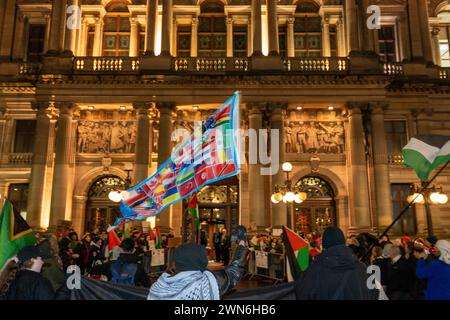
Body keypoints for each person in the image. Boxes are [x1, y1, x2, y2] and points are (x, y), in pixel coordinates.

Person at [147, 225, 248, 300]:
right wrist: (242, 244)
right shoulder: (205, 283)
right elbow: (233, 272)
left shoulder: (159, 285)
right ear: (201, 261)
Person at [295, 226, 378, 300]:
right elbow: (373, 293)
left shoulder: (315, 269)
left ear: (324, 245)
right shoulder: (361, 268)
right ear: (343, 242)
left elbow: (302, 293)